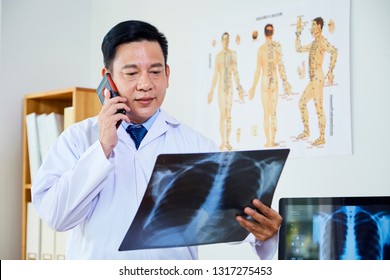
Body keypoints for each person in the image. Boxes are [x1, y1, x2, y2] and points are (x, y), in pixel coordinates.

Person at [32, 20, 281, 260]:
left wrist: (265, 233)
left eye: (155, 71)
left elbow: (226, 219)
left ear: (167, 74)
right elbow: (57, 218)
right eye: (131, 73)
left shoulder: (195, 145)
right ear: (108, 78)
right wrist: (102, 149)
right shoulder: (77, 139)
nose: (145, 84)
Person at [295, 17, 337, 146]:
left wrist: (330, 70)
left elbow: (334, 51)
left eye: (313, 25)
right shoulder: (313, 43)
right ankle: (307, 131)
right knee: (301, 103)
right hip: (313, 80)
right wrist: (298, 32)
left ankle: (322, 137)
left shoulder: (321, 42)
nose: (312, 28)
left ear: (319, 27)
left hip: (318, 78)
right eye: (311, 25)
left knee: (319, 108)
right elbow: (299, 49)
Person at [248, 24, 291, 148]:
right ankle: (272, 141)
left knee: (266, 114)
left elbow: (258, 70)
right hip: (273, 80)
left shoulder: (261, 49)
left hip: (265, 79)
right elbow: (280, 66)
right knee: (273, 113)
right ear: (273, 32)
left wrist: (253, 87)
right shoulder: (277, 47)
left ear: (264, 33)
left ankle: (268, 142)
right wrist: (285, 82)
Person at [208, 32, 245, 151]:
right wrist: (211, 92)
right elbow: (215, 75)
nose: (226, 41)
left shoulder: (232, 54)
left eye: (227, 39)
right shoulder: (218, 56)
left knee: (228, 114)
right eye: (224, 39)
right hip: (221, 88)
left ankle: (228, 141)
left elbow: (236, 72)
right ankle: (223, 142)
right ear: (221, 41)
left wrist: (239, 88)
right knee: (222, 115)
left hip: (229, 87)